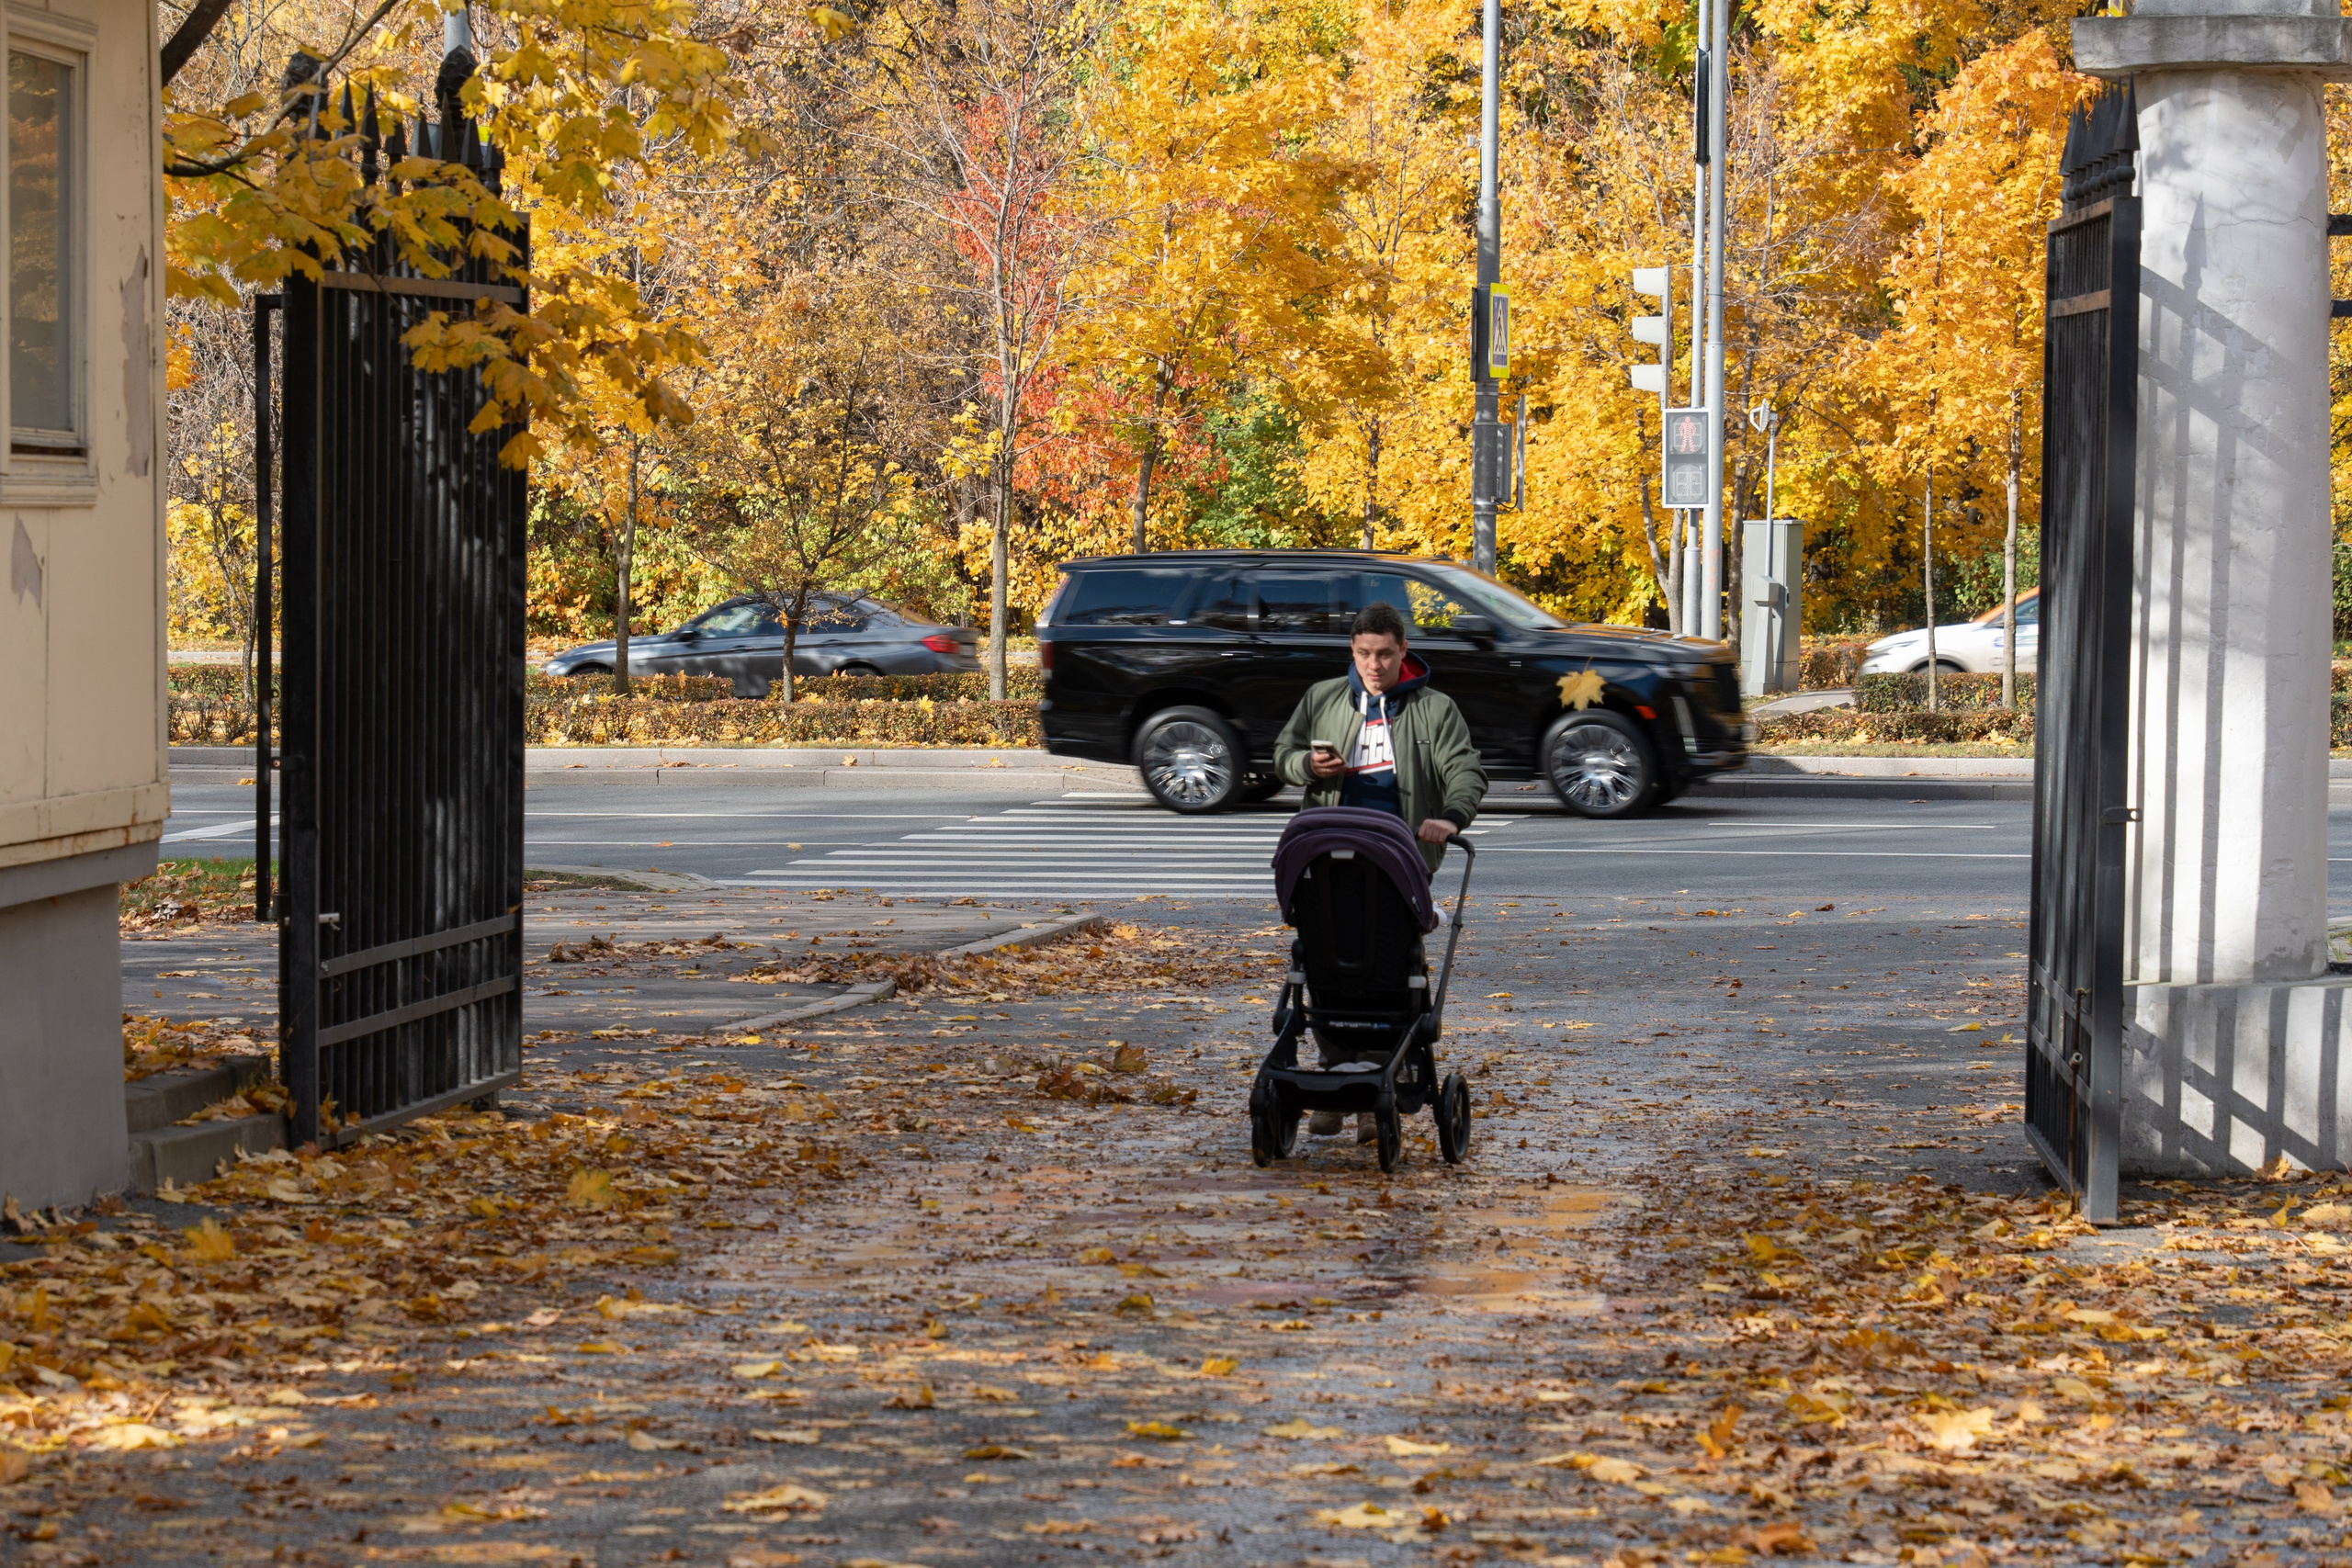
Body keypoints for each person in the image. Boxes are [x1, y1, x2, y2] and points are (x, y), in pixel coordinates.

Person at [1273, 601, 1486, 1140]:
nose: (1374, 664)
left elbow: (1464, 769)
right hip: (1328, 855)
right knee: (1325, 960)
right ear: (1352, 650)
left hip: (1401, 855)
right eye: (1365, 653)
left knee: (1387, 963)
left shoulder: (1435, 709)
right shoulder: (1323, 698)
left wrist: (1451, 817)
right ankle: (1336, 1073)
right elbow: (1282, 753)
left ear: (1403, 652)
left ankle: (1374, 1083)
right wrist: (1306, 766)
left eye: (1385, 654)